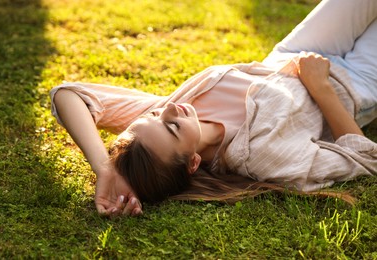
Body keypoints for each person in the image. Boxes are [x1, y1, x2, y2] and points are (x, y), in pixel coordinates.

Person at [50, 0, 377, 217]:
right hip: (357, 82)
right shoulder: (261, 155)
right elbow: (364, 157)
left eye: (153, 115)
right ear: (193, 162)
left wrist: (104, 168)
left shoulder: (175, 110)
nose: (171, 109)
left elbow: (70, 94)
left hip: (294, 51)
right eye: (171, 127)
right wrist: (320, 88)